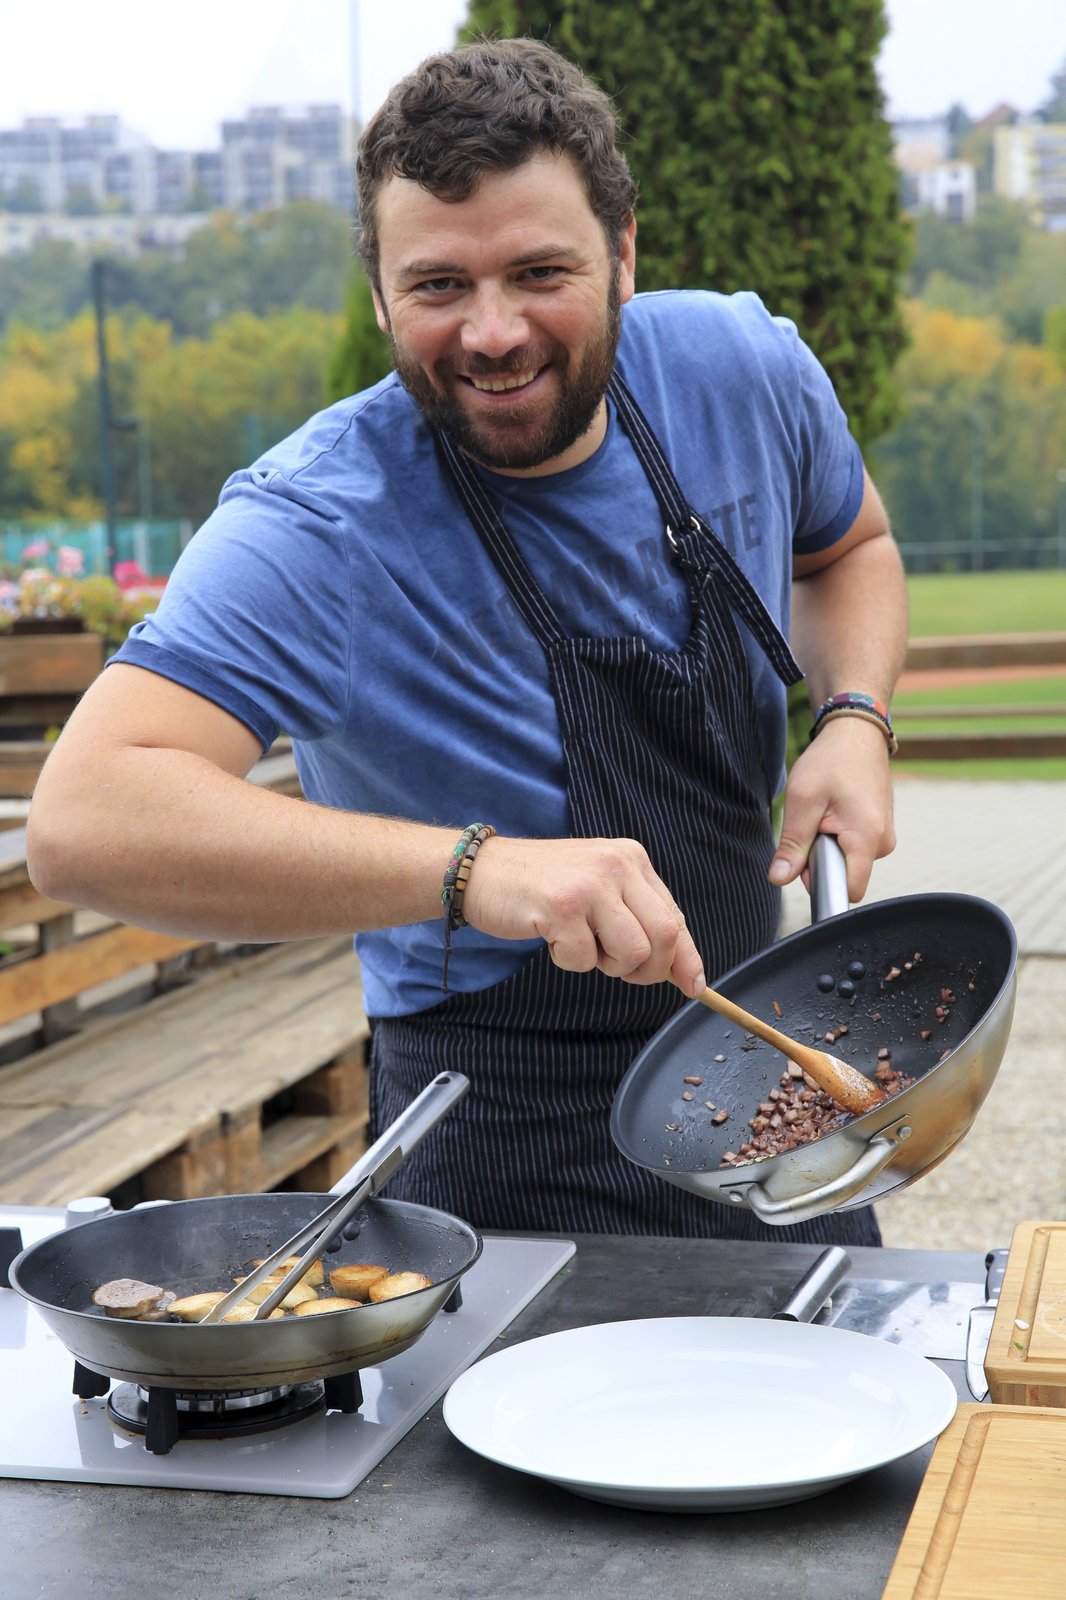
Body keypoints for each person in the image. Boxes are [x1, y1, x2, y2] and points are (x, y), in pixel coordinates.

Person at [26, 38, 907, 1246]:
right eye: (438, 286)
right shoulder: (318, 521)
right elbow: (84, 825)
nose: (491, 332)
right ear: (382, 293)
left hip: (764, 1072)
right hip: (502, 1130)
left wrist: (854, 716)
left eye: (540, 271)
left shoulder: (739, 373)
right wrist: (478, 872)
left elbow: (847, 546)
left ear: (624, 257)